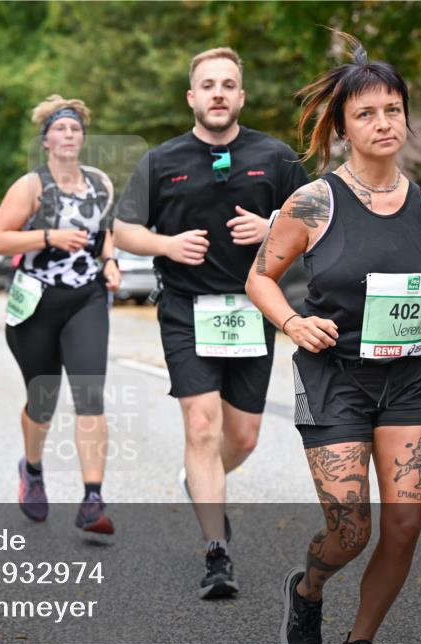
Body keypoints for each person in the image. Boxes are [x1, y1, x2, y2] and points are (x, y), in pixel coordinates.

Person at [244, 36, 421, 644]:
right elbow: (259, 278)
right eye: (366, 113)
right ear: (343, 127)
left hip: (408, 380)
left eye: (393, 110)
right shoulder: (315, 201)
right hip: (335, 378)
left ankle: (361, 642)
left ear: (405, 115)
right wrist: (293, 321)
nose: (383, 123)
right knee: (352, 529)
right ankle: (308, 587)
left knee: (402, 528)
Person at [114, 47, 309, 598]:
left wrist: (272, 224)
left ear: (241, 96)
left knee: (242, 437)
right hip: (184, 310)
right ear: (192, 97)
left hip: (252, 309)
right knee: (202, 426)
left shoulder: (274, 158)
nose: (219, 92)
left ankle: (202, 480)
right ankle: (216, 552)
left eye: (228, 84)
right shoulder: (161, 160)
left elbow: (318, 221)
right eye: (208, 84)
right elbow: (124, 231)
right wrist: (166, 244)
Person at [0, 94, 121, 534]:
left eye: (75, 129)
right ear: (46, 139)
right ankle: (31, 468)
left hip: (86, 299)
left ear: (82, 138)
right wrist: (49, 236)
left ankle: (92, 499)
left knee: (90, 395)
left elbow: (106, 231)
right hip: (37, 303)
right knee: (42, 402)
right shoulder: (31, 186)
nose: (69, 135)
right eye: (60, 129)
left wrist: (111, 262)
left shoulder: (99, 182)